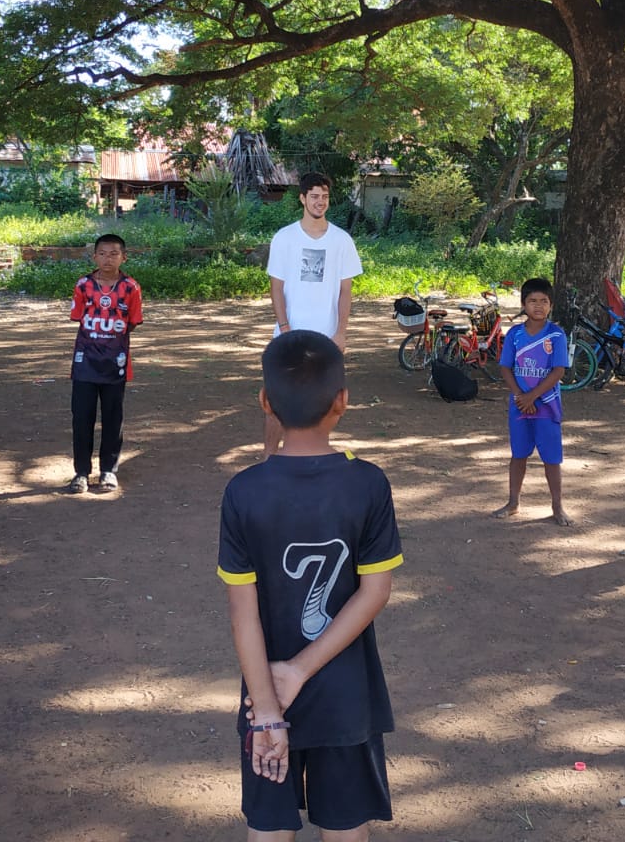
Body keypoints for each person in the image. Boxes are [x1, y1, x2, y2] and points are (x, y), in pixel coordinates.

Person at [218, 330, 402, 841]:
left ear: (265, 402)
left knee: (269, 826)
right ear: (343, 401)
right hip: (345, 695)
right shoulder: (368, 482)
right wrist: (300, 670)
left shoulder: (244, 491)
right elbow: (376, 591)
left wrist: (269, 712)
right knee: (345, 826)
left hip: (264, 696)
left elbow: (242, 613)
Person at [264, 173, 362, 457]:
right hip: (289, 335)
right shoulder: (284, 238)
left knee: (324, 403)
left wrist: (341, 332)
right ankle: (269, 458)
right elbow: (276, 287)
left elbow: (346, 290)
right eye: (315, 196)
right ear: (302, 198)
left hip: (326, 337)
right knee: (277, 400)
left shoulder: (341, 240)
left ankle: (313, 458)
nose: (320, 202)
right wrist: (285, 328)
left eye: (325, 197)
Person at [63, 233, 143, 494]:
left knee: (113, 417)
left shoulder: (131, 288)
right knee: (82, 417)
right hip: (85, 361)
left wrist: (111, 341)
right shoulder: (83, 285)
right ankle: (81, 473)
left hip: (115, 363)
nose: (108, 259)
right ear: (94, 256)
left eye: (114, 253)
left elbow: (131, 322)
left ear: (123, 257)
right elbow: (79, 317)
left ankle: (108, 470)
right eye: (103, 253)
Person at [490, 277, 571, 526]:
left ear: (551, 305)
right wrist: (520, 396)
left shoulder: (556, 335)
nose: (538, 306)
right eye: (532, 301)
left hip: (547, 406)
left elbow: (558, 371)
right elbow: (505, 368)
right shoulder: (514, 334)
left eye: (544, 301)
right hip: (519, 406)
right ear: (523, 304)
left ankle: (557, 506)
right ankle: (513, 502)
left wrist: (532, 396)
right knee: (519, 455)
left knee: (551, 458)